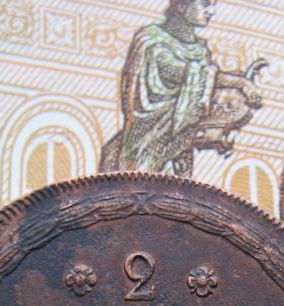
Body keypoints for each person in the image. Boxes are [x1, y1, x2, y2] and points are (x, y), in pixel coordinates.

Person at [100, 0, 262, 176]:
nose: (212, 11)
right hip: (147, 140)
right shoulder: (152, 40)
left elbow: (203, 86)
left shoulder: (199, 49)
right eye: (205, 4)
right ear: (181, 6)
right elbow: (183, 73)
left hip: (179, 142)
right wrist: (240, 83)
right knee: (141, 182)